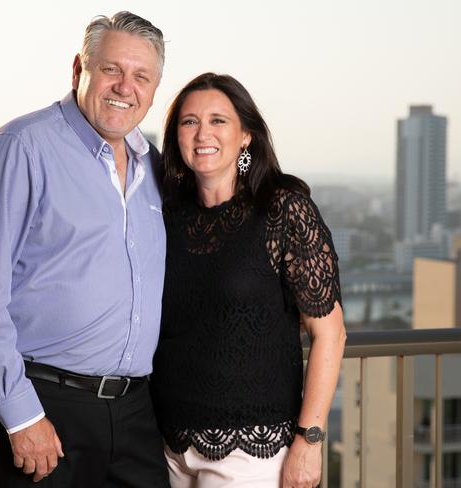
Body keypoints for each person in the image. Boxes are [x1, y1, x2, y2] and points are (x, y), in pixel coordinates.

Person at [0, 12, 170, 488]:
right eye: (111, 69)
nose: (124, 87)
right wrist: (21, 414)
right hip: (46, 407)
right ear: (79, 70)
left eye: (141, 76)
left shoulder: (153, 164)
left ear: (154, 90)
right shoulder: (21, 147)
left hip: (134, 414)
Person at [150, 73, 347, 488]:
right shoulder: (167, 216)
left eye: (218, 120)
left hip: (251, 454)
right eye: (189, 122)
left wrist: (309, 442)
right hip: (168, 447)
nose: (203, 133)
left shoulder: (283, 210)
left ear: (246, 136)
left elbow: (330, 334)